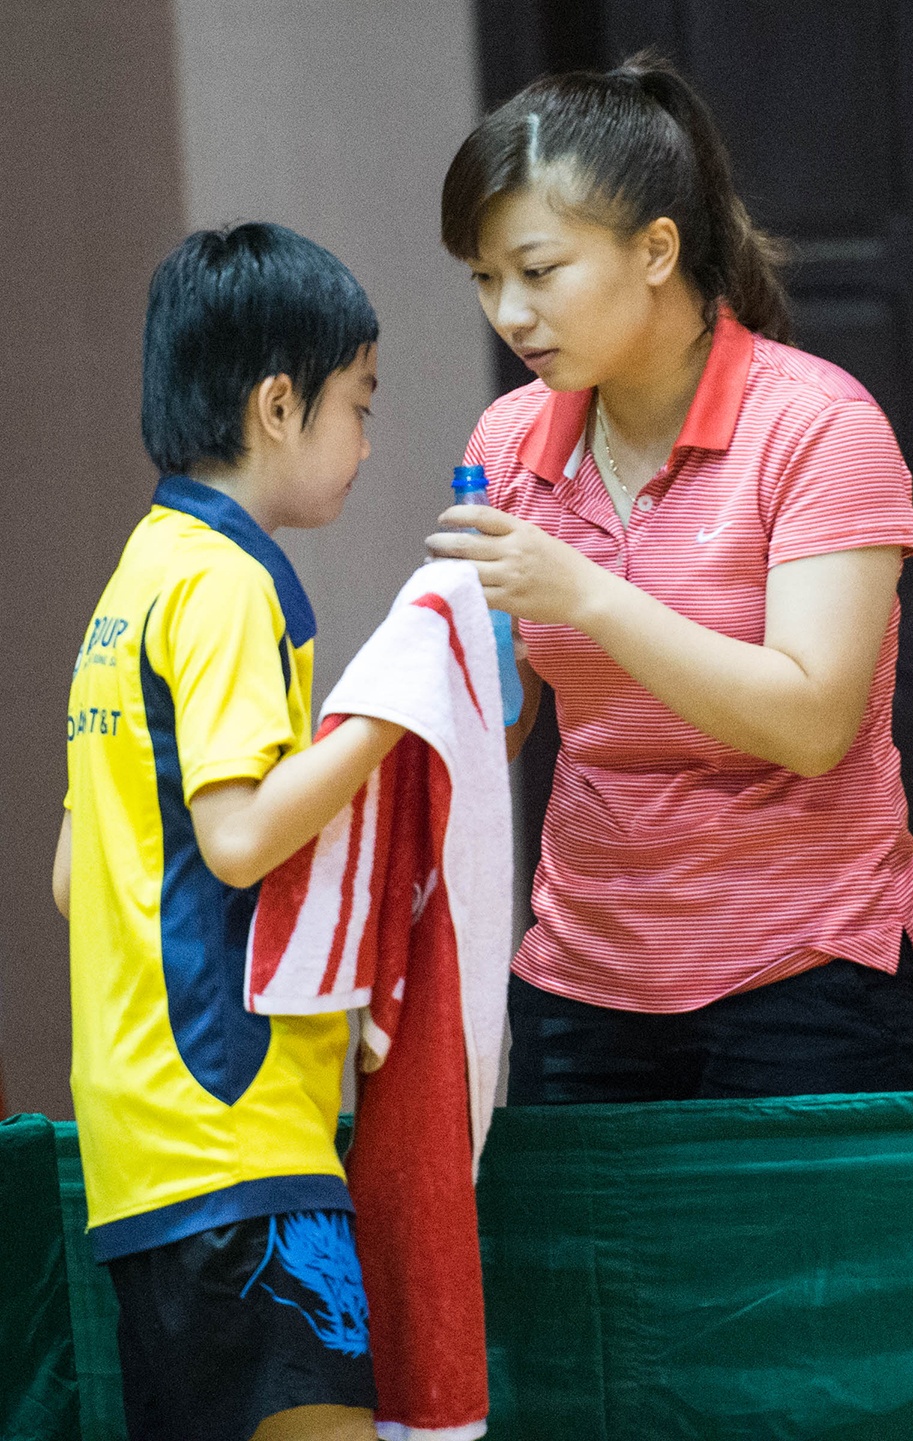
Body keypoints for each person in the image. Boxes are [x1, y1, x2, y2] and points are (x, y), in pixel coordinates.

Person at [426, 53, 913, 1105]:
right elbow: (504, 720)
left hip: (810, 976)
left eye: (538, 271)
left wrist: (586, 595)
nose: (510, 313)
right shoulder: (508, 440)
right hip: (582, 981)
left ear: (656, 248)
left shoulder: (817, 425)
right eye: (484, 279)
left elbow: (811, 722)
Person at [52, 223, 404, 1441]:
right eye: (359, 404)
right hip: (237, 1139)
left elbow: (75, 876)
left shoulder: (135, 578)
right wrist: (386, 715)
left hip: (136, 1155)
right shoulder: (227, 583)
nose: (368, 441)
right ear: (278, 405)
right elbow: (239, 838)